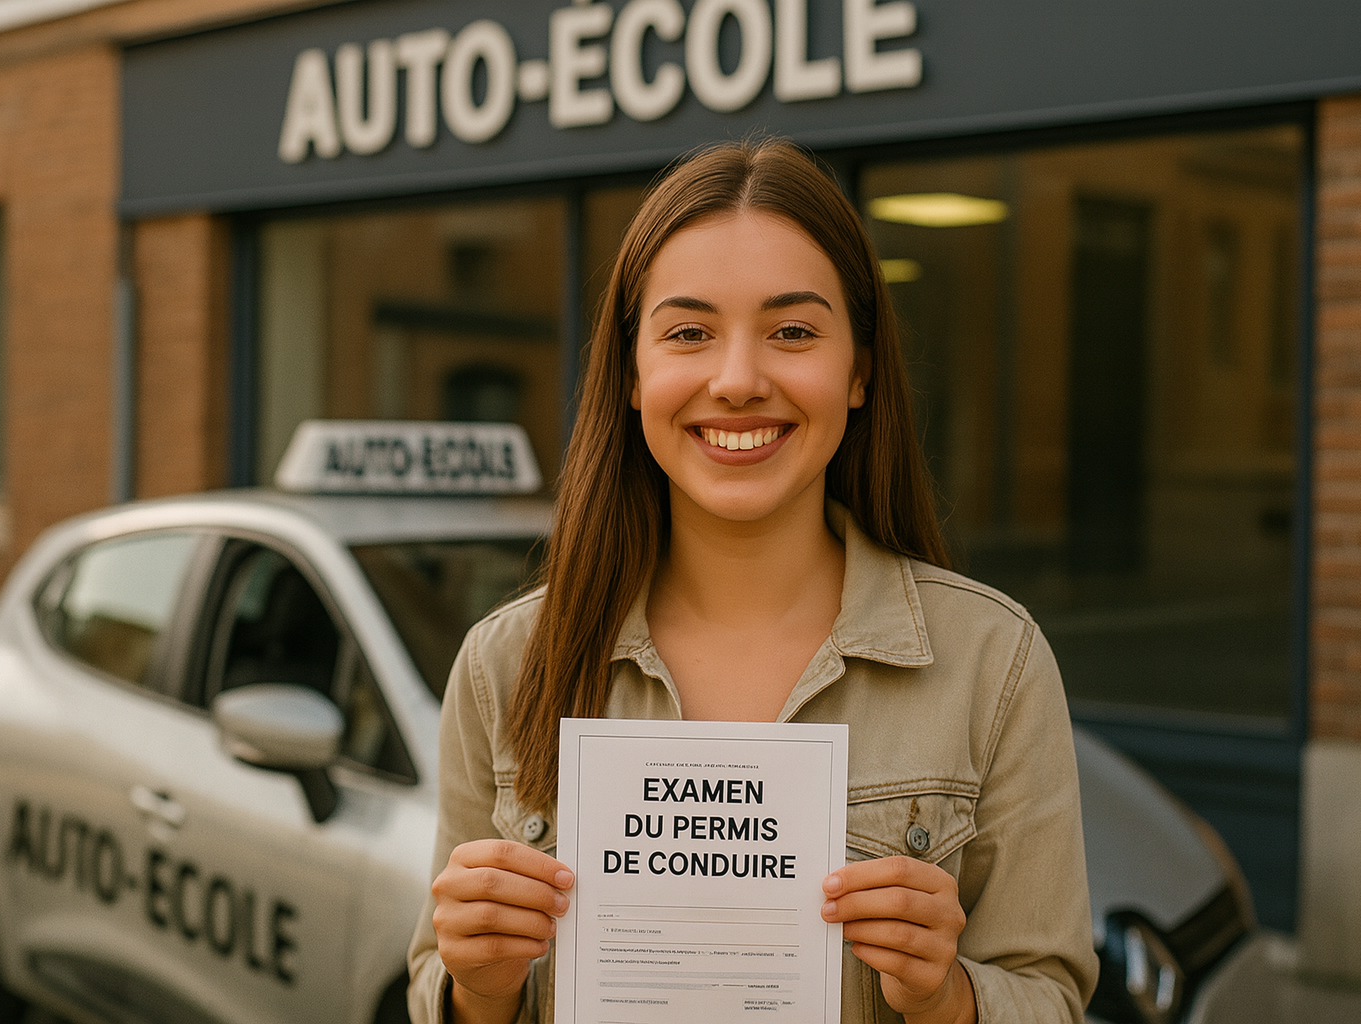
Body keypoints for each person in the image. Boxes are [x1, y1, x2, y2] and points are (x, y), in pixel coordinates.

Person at [407, 139, 1098, 1024]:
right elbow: (440, 989)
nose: (737, 380)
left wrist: (949, 997)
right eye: (689, 333)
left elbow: (1052, 997)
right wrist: (477, 988)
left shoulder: (993, 665)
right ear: (631, 372)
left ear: (859, 371)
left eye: (794, 332)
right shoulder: (504, 667)